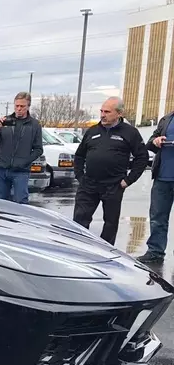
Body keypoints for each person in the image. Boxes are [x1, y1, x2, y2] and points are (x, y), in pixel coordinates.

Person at [72, 97, 148, 246]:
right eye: (101, 111)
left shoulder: (130, 132)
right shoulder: (92, 131)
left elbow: (142, 157)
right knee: (79, 220)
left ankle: (105, 254)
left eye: (107, 111)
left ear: (119, 113)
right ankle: (78, 248)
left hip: (113, 185)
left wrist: (128, 180)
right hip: (89, 184)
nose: (102, 114)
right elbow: (79, 155)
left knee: (110, 223)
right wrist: (80, 176)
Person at [0, 92, 44, 204]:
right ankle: (1, 221)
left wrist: (24, 161)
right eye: (17, 106)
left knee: (21, 203)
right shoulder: (5, 121)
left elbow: (38, 149)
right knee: (0, 203)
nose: (19, 109)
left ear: (28, 106)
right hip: (2, 169)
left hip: (21, 171)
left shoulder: (34, 125)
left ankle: (20, 222)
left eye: (22, 106)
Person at [135, 108, 174, 264]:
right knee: (157, 217)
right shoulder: (166, 119)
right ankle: (155, 252)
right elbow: (150, 143)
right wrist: (155, 141)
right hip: (162, 177)